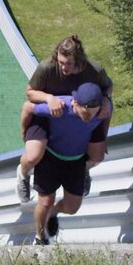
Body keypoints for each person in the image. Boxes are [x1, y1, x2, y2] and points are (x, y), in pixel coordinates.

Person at [16, 35, 113, 203]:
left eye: (68, 63)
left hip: (83, 113)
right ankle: (23, 174)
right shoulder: (47, 67)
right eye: (61, 62)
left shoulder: (94, 70)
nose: (63, 67)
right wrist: (48, 98)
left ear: (79, 61)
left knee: (97, 156)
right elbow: (30, 93)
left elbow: (108, 86)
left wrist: (105, 97)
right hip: (48, 113)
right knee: (33, 156)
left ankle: (84, 170)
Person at [23, 82, 112, 245]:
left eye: (93, 114)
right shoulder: (60, 107)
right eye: (86, 113)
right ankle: (40, 237)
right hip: (51, 156)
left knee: (72, 208)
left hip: (76, 160)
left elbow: (107, 115)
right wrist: (25, 134)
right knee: (45, 201)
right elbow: (27, 107)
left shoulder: (102, 111)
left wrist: (103, 137)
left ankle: (54, 211)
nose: (89, 118)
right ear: (75, 103)